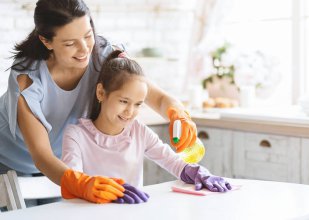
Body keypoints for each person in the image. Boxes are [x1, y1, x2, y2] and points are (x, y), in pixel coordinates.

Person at [0, 0, 196, 204]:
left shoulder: (104, 54)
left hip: (60, 165)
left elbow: (158, 97)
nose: (84, 49)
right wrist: (80, 183)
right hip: (8, 162)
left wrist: (178, 114)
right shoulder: (27, 78)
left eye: (88, 35)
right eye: (70, 43)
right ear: (46, 41)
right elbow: (41, 156)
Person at [61, 50, 231, 204]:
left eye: (138, 104)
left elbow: (172, 161)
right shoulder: (76, 135)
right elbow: (73, 181)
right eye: (123, 101)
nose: (130, 111)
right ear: (101, 93)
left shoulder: (138, 131)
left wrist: (196, 172)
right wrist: (100, 192)